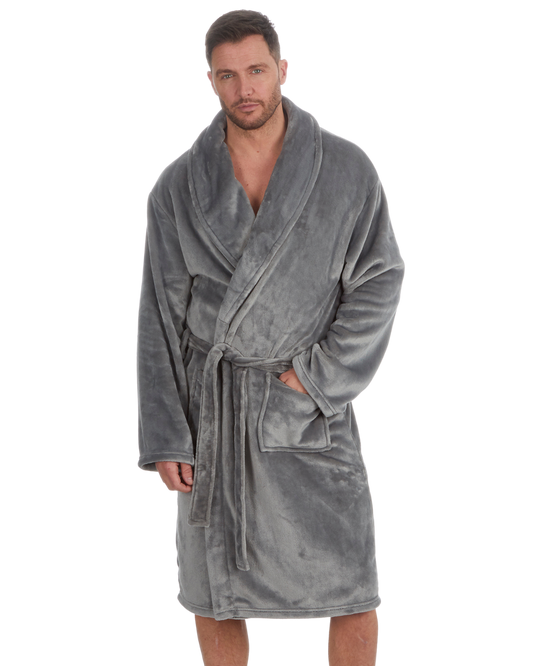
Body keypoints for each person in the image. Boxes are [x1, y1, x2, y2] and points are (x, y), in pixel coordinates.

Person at [136, 8, 407, 665]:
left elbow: (380, 279)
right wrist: (166, 433)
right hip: (214, 417)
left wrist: (314, 377)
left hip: (309, 410)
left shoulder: (345, 168)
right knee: (215, 595)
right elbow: (158, 317)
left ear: (283, 69)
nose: (244, 88)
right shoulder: (177, 186)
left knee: (350, 587)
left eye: (256, 70)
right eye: (227, 75)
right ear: (210, 80)